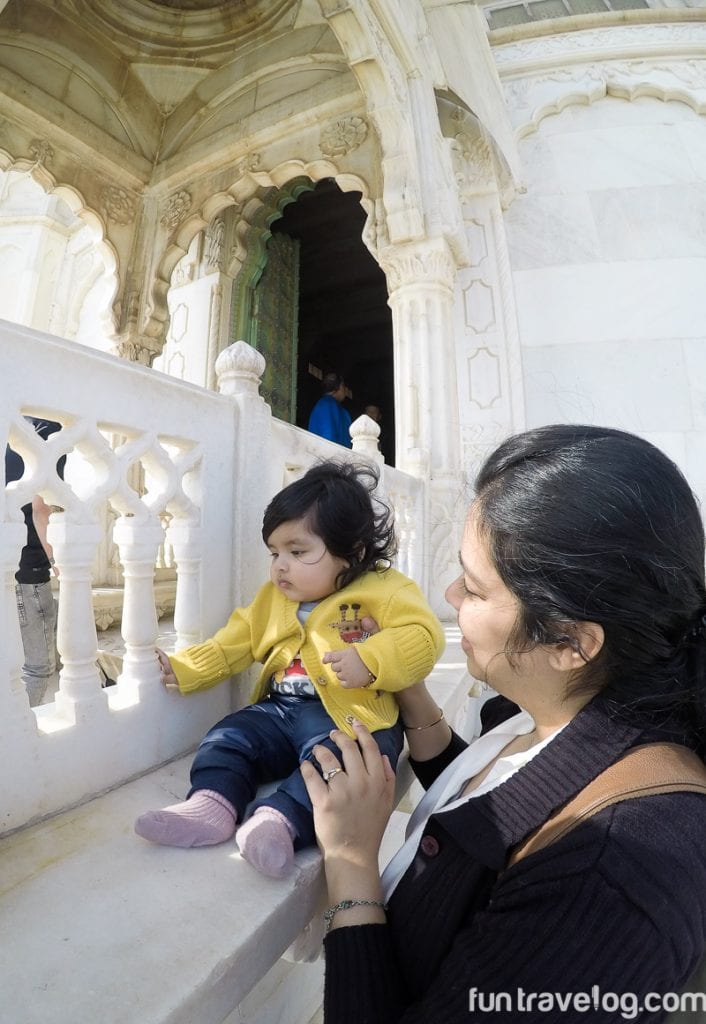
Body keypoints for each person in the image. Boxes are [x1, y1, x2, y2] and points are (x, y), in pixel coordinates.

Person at [302, 425, 706, 1023]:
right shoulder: (571, 708)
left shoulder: (606, 881)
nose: (449, 594)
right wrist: (411, 692)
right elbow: (509, 803)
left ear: (570, 641)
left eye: (474, 587)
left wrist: (350, 864)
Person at [135, 460, 445, 879]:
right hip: (280, 710)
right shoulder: (273, 597)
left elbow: (423, 637)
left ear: (351, 553)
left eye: (297, 552)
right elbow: (239, 637)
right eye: (275, 552)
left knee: (341, 764)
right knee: (231, 735)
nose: (280, 565)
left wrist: (371, 660)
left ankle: (278, 822)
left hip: (353, 718)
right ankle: (211, 804)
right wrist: (187, 667)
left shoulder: (386, 590)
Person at [4, 417, 64, 707]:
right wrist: (56, 558)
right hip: (30, 569)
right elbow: (41, 510)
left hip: (9, 561)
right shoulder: (52, 434)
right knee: (38, 668)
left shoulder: (14, 431)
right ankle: (16, 739)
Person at [307, 372, 352, 448]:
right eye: (344, 386)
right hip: (335, 456)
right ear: (340, 386)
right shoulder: (327, 404)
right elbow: (328, 436)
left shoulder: (323, 404)